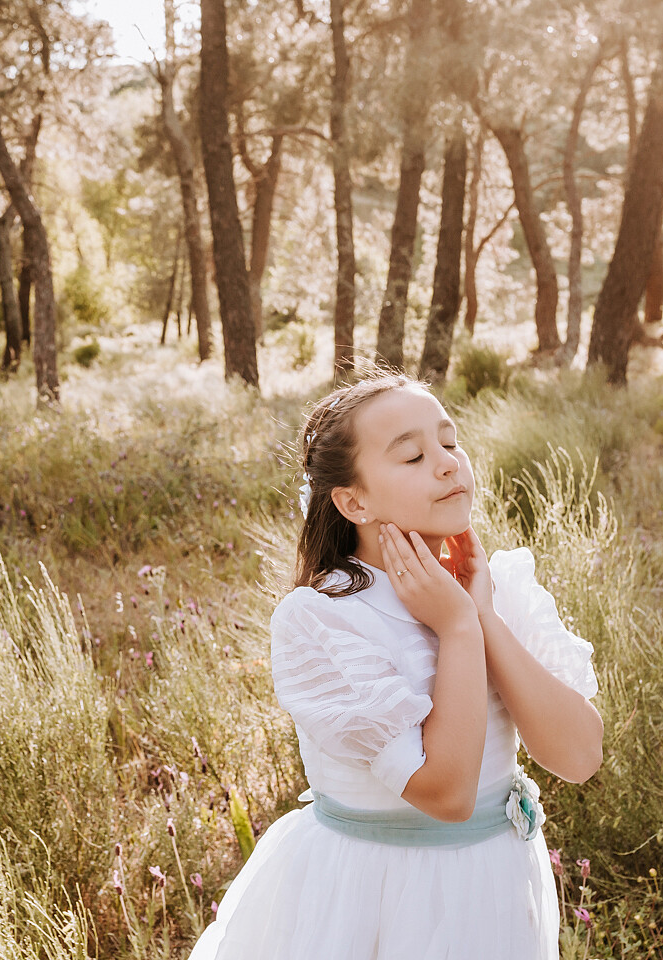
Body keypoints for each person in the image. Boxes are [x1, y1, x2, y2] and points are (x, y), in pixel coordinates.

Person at [187, 369, 603, 959]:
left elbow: (580, 756)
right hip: (375, 898)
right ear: (353, 501)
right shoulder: (324, 619)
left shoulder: (501, 583)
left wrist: (483, 615)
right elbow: (448, 794)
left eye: (450, 443)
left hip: (494, 889)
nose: (446, 463)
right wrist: (457, 627)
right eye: (412, 456)